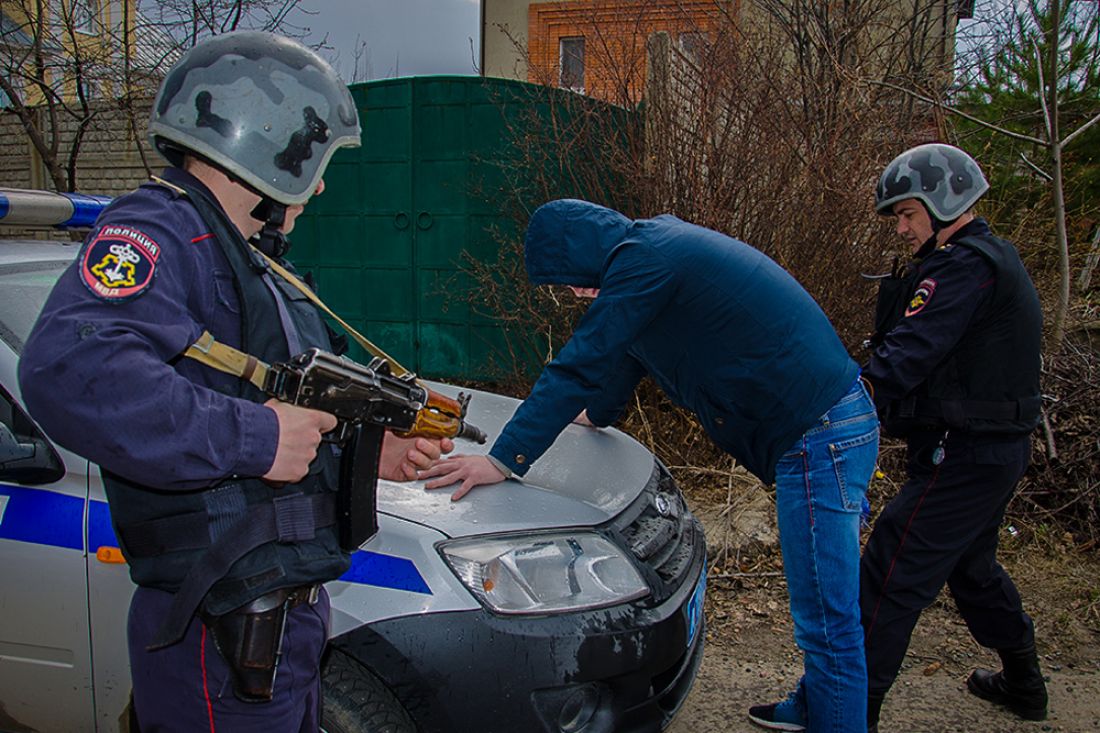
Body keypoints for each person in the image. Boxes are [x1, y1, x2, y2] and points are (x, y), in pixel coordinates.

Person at [18, 31, 452, 733]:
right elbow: (68, 369)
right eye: (315, 161)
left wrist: (371, 455)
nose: (319, 184)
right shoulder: (161, 232)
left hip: (280, 627)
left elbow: (273, 413)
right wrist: (256, 436)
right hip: (220, 635)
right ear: (267, 144)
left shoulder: (248, 260)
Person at [419, 198, 880, 733]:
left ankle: (838, 719)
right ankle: (817, 705)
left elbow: (581, 361)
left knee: (826, 616)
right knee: (824, 604)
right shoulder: (654, 253)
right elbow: (621, 361)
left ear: (586, 252)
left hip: (822, 435)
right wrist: (591, 417)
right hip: (824, 428)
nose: (572, 293)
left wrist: (503, 458)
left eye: (569, 279)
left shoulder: (647, 258)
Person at [860, 143, 1047, 731]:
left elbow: (907, 354)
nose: (902, 227)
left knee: (892, 566)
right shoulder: (979, 259)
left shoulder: (963, 267)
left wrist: (844, 401)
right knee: (972, 569)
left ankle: (847, 711)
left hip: (964, 453)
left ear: (945, 201)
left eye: (908, 213)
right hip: (987, 450)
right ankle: (1023, 682)